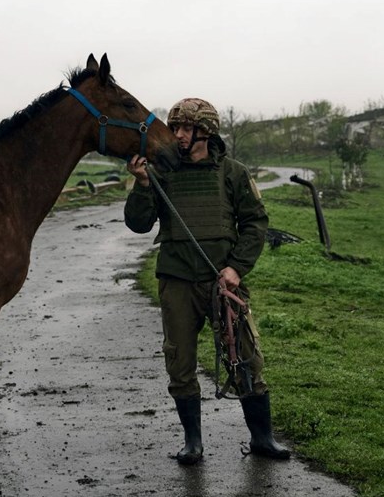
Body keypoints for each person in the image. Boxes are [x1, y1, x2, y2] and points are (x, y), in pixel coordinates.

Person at [124, 97, 290, 465]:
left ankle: (263, 438)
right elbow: (138, 223)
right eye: (175, 127)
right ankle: (193, 443)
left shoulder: (233, 172)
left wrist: (236, 268)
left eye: (185, 128)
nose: (178, 135)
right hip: (177, 282)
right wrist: (141, 185)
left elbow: (254, 224)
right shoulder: (161, 171)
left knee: (245, 356)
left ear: (206, 131)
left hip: (223, 283)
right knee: (180, 363)